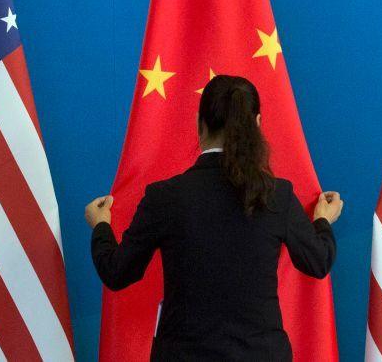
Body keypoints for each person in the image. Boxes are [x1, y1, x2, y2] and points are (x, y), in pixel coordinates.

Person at [86, 74, 343, 360]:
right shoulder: (277, 195)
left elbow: (117, 272)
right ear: (257, 125)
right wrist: (322, 219)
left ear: (199, 123)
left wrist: (101, 226)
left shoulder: (165, 197)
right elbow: (318, 261)